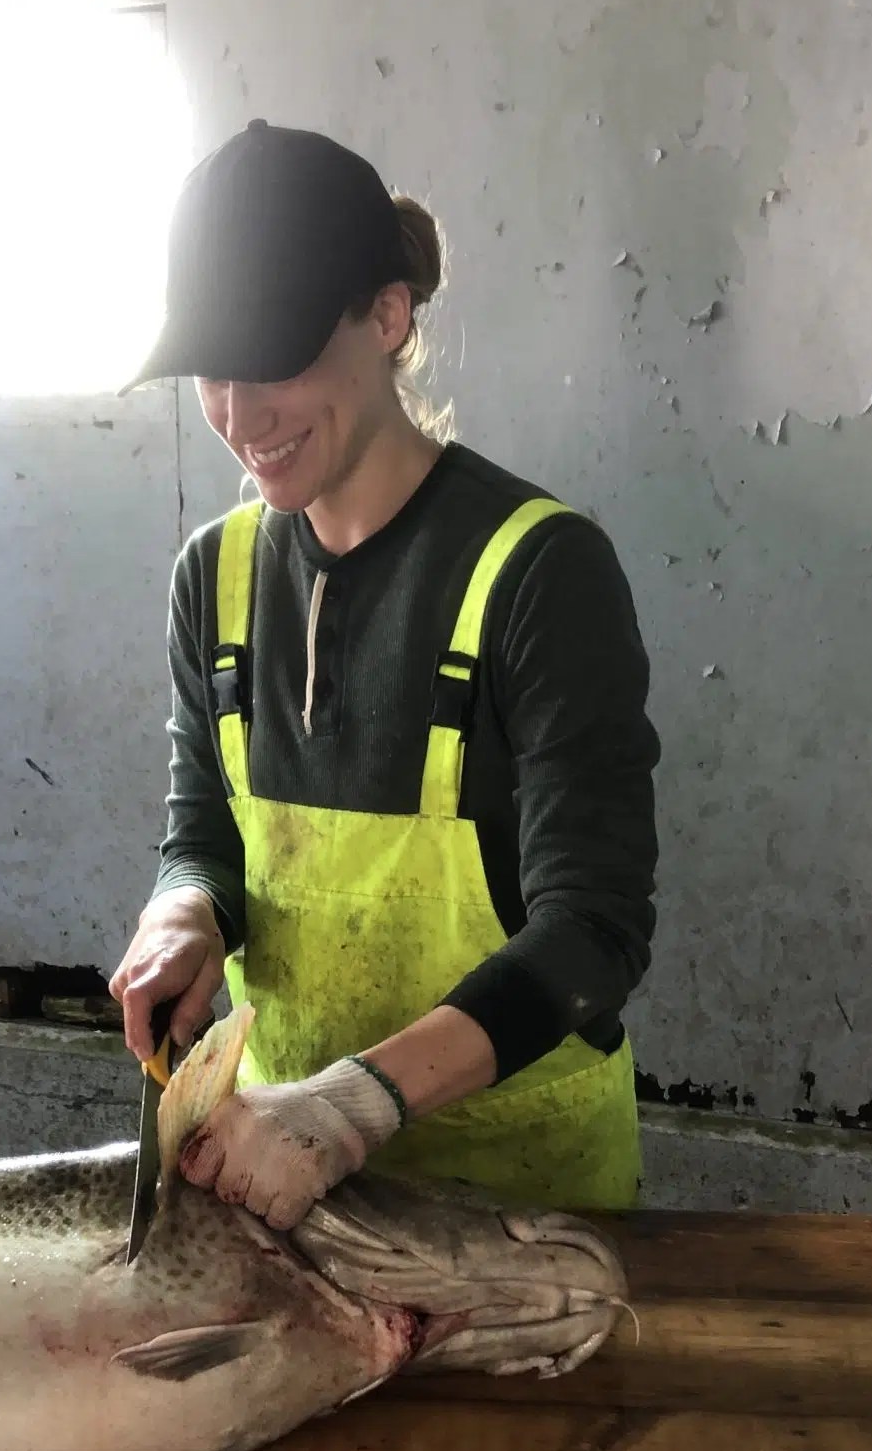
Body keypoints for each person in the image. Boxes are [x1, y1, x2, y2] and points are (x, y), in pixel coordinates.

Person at [109, 119, 658, 1231]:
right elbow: (204, 831)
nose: (241, 415)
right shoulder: (209, 581)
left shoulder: (539, 572)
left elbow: (593, 932)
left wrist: (355, 1105)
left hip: (525, 1212)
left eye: (277, 360)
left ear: (388, 314)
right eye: (214, 370)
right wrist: (185, 915)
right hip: (288, 1198)